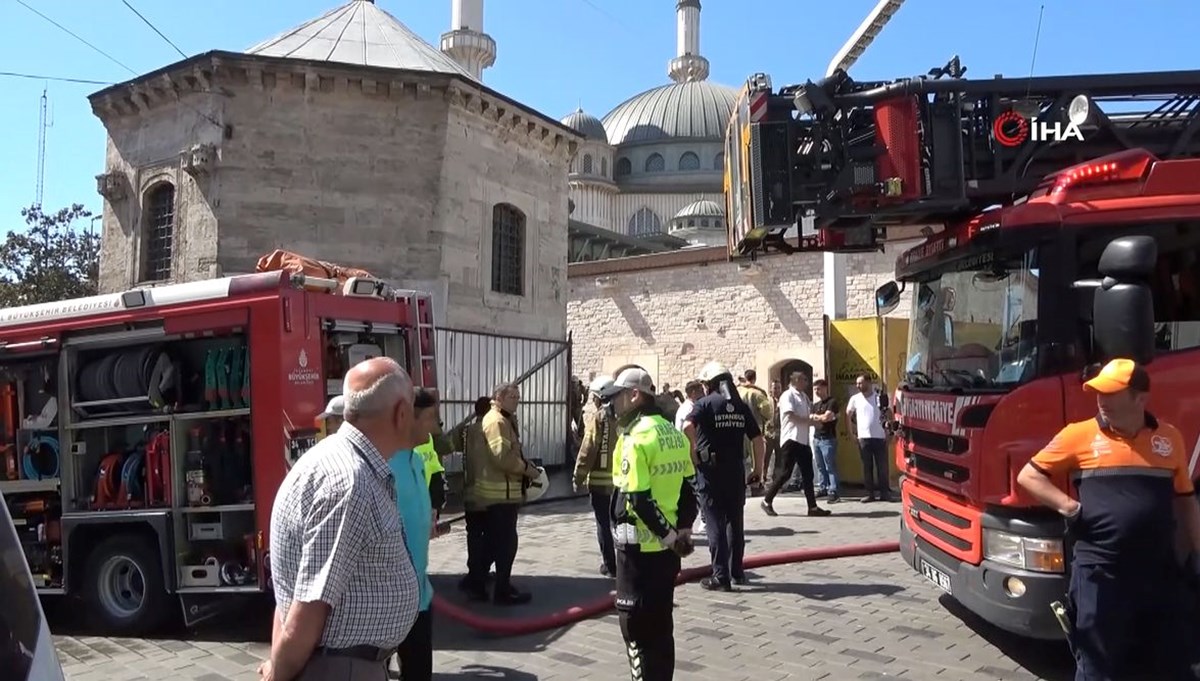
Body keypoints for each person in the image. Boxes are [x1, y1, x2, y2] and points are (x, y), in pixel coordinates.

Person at [1016, 359, 1200, 681]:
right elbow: (1029, 476)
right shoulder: (1079, 435)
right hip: (1101, 574)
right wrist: (1070, 507)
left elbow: (1185, 501)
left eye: (1111, 393)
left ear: (1140, 398)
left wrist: (1194, 557)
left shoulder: (1169, 438)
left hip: (1158, 572)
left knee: (1167, 662)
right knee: (1098, 666)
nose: (1101, 400)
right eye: (1098, 392)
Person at [264, 357, 421, 681]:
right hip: (341, 669)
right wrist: (276, 675)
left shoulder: (341, 463)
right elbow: (308, 607)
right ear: (401, 413)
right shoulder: (350, 483)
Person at [598, 367, 698, 681]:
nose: (612, 405)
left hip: (637, 555)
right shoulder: (672, 433)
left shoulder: (635, 438)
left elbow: (637, 499)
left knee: (636, 630)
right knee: (661, 630)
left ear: (635, 395)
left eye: (616, 398)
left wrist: (669, 537)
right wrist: (681, 533)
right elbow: (688, 489)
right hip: (666, 558)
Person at [682, 361, 764, 591]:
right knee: (735, 522)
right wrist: (759, 470)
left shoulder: (705, 404)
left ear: (709, 384)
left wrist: (694, 451)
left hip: (711, 471)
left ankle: (720, 576)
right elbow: (758, 440)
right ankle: (737, 571)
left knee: (715, 522)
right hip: (736, 470)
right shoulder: (740, 406)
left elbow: (688, 426)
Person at [388, 387, 442, 681]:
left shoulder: (416, 461)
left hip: (419, 597)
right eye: (431, 418)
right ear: (408, 417)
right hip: (386, 599)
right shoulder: (383, 466)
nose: (436, 426)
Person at [471, 383, 540, 605]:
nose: (516, 400)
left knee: (496, 543)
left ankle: (483, 584)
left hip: (504, 493)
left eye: (518, 397)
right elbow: (502, 457)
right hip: (501, 495)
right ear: (498, 397)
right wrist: (528, 469)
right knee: (505, 544)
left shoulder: (504, 418)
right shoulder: (497, 421)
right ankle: (500, 590)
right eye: (512, 396)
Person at [761, 371, 831, 518]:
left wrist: (816, 421)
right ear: (797, 380)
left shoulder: (804, 397)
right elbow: (790, 416)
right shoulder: (788, 395)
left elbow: (807, 415)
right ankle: (767, 501)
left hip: (803, 440)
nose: (807, 383)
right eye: (805, 379)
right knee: (785, 473)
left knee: (808, 474)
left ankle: (812, 507)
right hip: (791, 440)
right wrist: (811, 420)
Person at [573, 376, 618, 576]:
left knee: (604, 524)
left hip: (601, 483)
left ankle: (610, 565)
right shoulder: (626, 415)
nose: (593, 401)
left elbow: (588, 449)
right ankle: (627, 563)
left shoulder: (600, 417)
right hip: (624, 482)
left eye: (594, 397)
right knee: (622, 523)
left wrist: (578, 477)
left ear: (601, 396)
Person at [457, 396, 493, 599]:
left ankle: (474, 574)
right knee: (491, 536)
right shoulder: (495, 429)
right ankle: (482, 573)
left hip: (471, 495)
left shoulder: (466, 432)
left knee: (473, 536)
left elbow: (448, 445)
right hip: (491, 496)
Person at [847, 374, 894, 502]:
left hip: (880, 437)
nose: (858, 386)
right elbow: (848, 415)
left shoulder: (879, 397)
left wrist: (890, 433)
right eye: (857, 383)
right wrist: (851, 434)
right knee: (867, 467)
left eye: (860, 383)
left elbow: (889, 413)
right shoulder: (855, 399)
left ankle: (885, 493)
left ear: (868, 382)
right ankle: (870, 493)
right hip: (864, 438)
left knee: (882, 467)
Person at [738, 369, 773, 497]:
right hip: (754, 431)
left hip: (738, 430)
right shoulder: (757, 393)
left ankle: (740, 485)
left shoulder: (737, 391)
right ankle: (756, 487)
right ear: (754, 379)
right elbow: (767, 411)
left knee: (740, 459)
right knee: (756, 461)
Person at [810, 379, 841, 503]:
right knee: (820, 466)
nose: (817, 391)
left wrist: (816, 417)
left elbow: (827, 418)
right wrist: (819, 418)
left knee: (830, 466)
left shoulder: (832, 402)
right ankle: (823, 487)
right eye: (815, 389)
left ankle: (833, 490)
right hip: (816, 438)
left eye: (819, 389)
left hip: (828, 439)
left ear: (825, 388)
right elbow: (811, 419)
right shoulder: (815, 405)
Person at [764, 380, 782, 482]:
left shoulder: (784, 400)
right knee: (766, 458)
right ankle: (763, 477)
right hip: (768, 434)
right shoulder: (767, 400)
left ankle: (777, 480)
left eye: (778, 388)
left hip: (781, 433)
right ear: (771, 389)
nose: (776, 390)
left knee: (779, 458)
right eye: (775, 388)